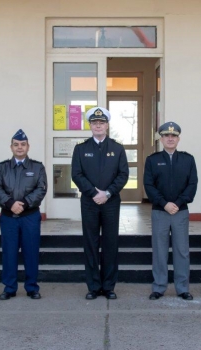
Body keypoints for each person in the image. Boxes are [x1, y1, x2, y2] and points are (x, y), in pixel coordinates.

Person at [72, 107, 129, 300]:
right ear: (90, 125)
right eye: (95, 123)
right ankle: (93, 286)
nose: (98, 125)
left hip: (111, 202)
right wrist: (93, 192)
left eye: (102, 123)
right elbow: (76, 174)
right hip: (89, 202)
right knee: (91, 243)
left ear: (107, 125)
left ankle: (109, 286)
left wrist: (108, 192)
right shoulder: (81, 148)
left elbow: (123, 175)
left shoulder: (117, 148)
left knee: (110, 243)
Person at [144, 122, 198, 301]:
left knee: (181, 250)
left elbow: (192, 184)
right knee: (159, 250)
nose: (170, 138)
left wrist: (178, 203)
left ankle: (182, 288)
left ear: (178, 139)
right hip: (160, 211)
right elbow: (149, 185)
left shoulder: (188, 159)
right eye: (166, 136)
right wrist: (164, 203)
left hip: (180, 211)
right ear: (161, 139)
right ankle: (159, 287)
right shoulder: (152, 160)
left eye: (173, 136)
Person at [0, 129, 47, 300]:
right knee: (9, 253)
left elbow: (41, 188)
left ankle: (32, 287)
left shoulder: (37, 167)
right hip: (9, 217)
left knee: (31, 252)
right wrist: (10, 204)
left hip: (30, 216)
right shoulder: (2, 167)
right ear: (11, 147)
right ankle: (9, 288)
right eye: (16, 145)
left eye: (23, 144)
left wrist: (23, 204)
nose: (20, 147)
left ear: (28, 146)